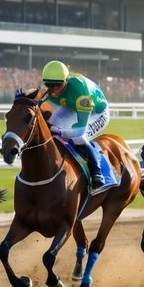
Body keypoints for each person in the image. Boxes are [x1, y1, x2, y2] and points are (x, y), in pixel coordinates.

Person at [40, 60, 110, 193]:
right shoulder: (47, 88)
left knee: (78, 138)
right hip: (71, 106)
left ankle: (97, 173)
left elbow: (79, 130)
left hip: (97, 113)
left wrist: (60, 132)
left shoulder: (82, 95)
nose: (53, 89)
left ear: (66, 81)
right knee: (51, 126)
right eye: (49, 85)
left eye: (58, 85)